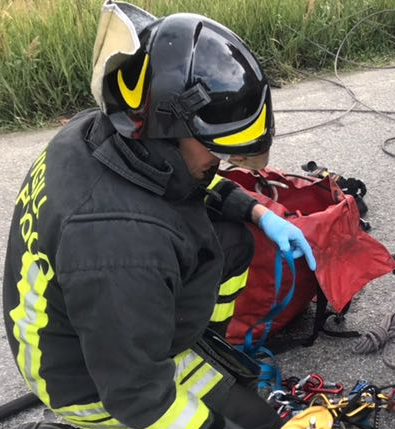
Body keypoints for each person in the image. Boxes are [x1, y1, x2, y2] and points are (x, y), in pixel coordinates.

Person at [3, 2, 315, 429]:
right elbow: (137, 396)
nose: (222, 162)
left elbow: (184, 183)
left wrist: (257, 211)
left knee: (234, 240)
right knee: (258, 425)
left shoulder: (101, 135)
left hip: (113, 327)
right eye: (214, 147)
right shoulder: (121, 245)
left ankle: (201, 342)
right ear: (164, 132)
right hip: (91, 385)